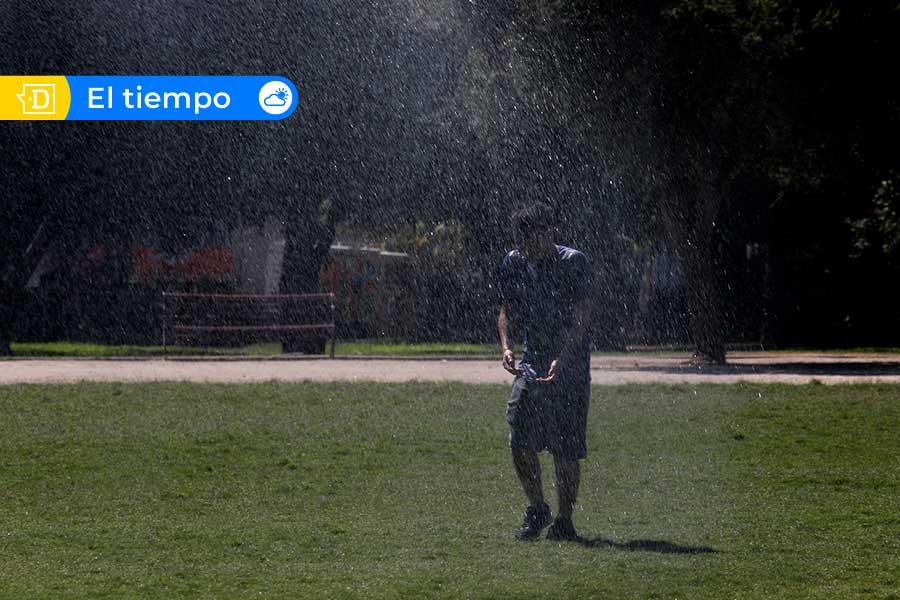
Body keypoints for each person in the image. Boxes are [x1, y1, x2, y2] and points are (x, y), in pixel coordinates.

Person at [497, 202, 593, 541]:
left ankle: (565, 522)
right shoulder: (514, 262)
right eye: (522, 242)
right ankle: (537, 507)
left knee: (565, 449)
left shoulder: (573, 262)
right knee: (519, 439)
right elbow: (507, 311)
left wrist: (564, 357)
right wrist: (506, 346)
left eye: (533, 241)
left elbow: (582, 317)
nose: (528, 249)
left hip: (571, 370)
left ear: (549, 233)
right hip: (531, 364)